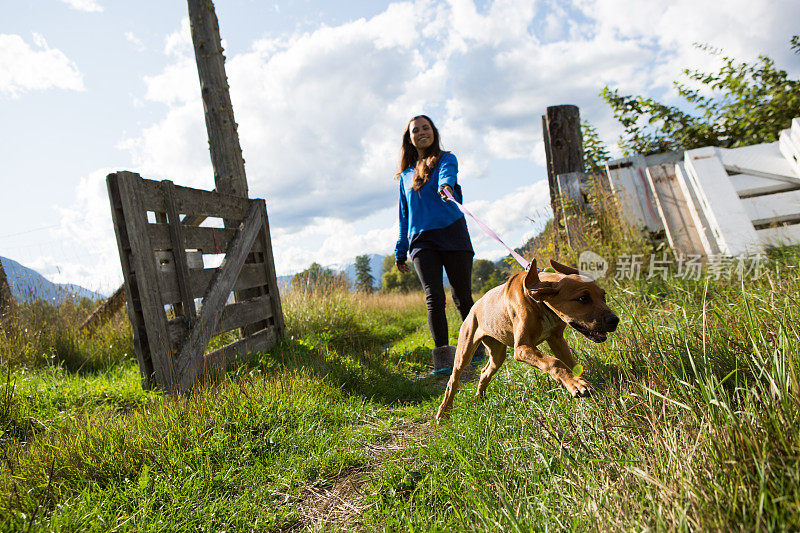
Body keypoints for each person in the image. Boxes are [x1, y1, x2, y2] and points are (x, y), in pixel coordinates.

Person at [393, 115, 482, 374]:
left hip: (453, 233)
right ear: (409, 138)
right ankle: (444, 357)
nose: (421, 133)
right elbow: (403, 215)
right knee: (434, 298)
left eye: (425, 128)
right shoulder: (405, 175)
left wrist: (445, 187)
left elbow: (448, 175)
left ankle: (475, 349)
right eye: (415, 130)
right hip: (422, 241)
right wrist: (400, 249)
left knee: (462, 296)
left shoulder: (446, 159)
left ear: (434, 132)